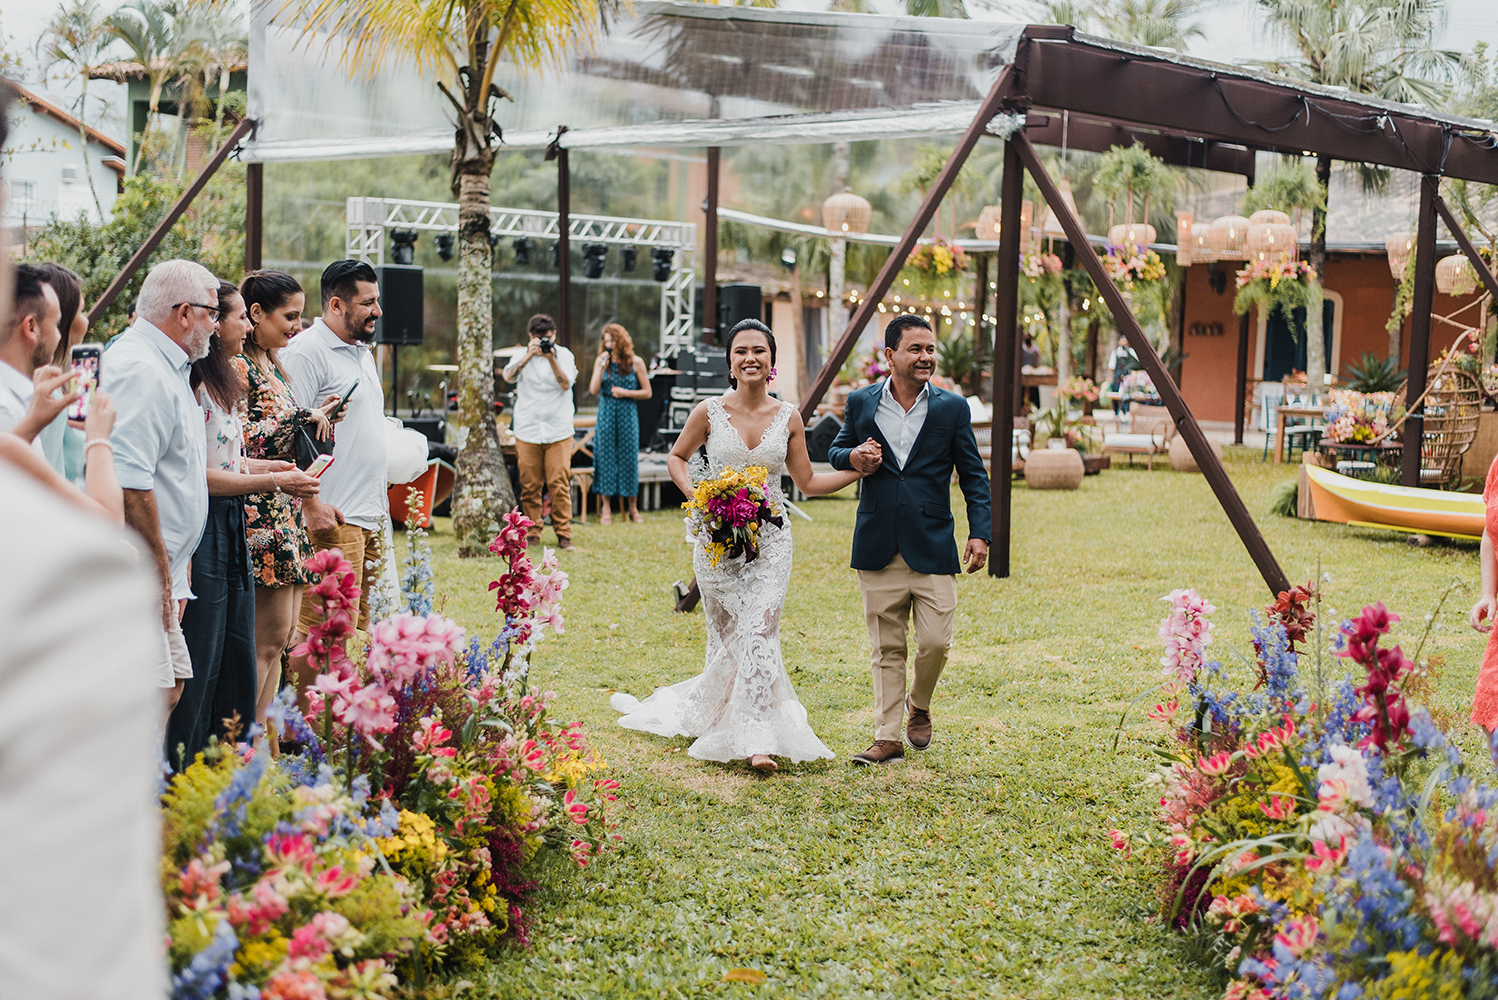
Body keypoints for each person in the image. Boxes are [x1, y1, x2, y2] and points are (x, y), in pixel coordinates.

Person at [611, 319, 866, 772]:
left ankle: (757, 739)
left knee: (759, 631)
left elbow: (806, 480)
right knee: (728, 640)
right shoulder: (707, 412)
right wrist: (701, 498)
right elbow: (676, 458)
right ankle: (715, 712)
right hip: (717, 544)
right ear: (730, 363)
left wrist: (857, 471)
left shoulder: (789, 416)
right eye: (741, 351)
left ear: (772, 362)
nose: (750, 358)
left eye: (759, 351)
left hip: (770, 542)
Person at [828, 313, 992, 766]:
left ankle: (918, 703)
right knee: (886, 647)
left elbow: (974, 475)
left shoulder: (952, 409)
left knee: (937, 640)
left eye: (930, 349)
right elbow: (836, 450)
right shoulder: (861, 403)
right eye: (915, 349)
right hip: (877, 540)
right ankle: (886, 737)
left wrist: (980, 532)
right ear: (890, 356)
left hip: (933, 541)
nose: (926, 357)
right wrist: (854, 456)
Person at [169, 282, 321, 767]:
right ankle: (235, 749)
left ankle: (255, 747)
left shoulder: (260, 369)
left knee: (277, 639)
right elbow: (226, 458)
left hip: (264, 504)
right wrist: (285, 449)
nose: (240, 326)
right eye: (233, 318)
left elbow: (236, 457)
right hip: (239, 514)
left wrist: (281, 471)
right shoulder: (219, 376)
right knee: (247, 644)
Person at [105, 258, 221, 710]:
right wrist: (159, 572)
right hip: (140, 569)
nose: (215, 324)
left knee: (167, 687)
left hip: (167, 567)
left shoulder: (168, 367)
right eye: (212, 312)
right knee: (147, 694)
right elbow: (130, 483)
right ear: (184, 312)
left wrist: (180, 562)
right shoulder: (140, 369)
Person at [280, 259, 388, 703]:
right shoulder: (306, 353)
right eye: (368, 303)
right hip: (331, 512)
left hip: (366, 512)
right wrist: (312, 506)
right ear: (337, 304)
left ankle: (334, 717)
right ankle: (301, 727)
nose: (378, 310)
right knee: (319, 627)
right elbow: (283, 435)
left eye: (377, 300)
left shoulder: (361, 350)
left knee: (351, 628)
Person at [239, 269, 340, 731]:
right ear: (255, 313)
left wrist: (315, 421)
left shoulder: (274, 363)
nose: (297, 326)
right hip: (259, 509)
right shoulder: (238, 365)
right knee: (266, 640)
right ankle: (246, 745)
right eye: (290, 316)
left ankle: (264, 743)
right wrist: (301, 419)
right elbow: (236, 439)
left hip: (286, 507)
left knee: (280, 641)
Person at [503, 314, 578, 550]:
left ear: (554, 335)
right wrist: (528, 356)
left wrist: (551, 359)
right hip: (528, 429)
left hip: (558, 429)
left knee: (559, 482)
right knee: (529, 484)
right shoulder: (521, 355)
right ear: (530, 337)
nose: (544, 342)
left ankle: (564, 534)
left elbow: (566, 384)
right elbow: (507, 376)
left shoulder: (564, 355)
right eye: (539, 339)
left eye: (548, 338)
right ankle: (533, 532)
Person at [0, 263, 69, 456]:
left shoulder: (25, 399)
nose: (59, 335)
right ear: (31, 327)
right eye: (56, 323)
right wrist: (99, 439)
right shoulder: (5, 411)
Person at [587, 322, 651, 524]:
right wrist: (600, 367)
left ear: (620, 341)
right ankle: (606, 507)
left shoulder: (635, 362)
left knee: (628, 457)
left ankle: (633, 507)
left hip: (627, 411)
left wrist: (626, 393)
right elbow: (594, 390)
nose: (609, 345)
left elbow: (647, 392)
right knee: (604, 457)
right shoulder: (601, 361)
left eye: (612, 340)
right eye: (606, 341)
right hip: (606, 411)